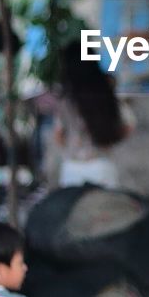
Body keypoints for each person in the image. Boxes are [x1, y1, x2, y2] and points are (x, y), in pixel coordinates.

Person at [52, 41, 131, 190]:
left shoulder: (65, 100)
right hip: (103, 168)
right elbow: (128, 125)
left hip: (72, 169)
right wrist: (110, 139)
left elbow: (58, 136)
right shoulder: (107, 92)